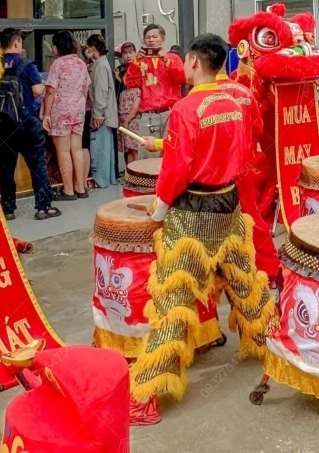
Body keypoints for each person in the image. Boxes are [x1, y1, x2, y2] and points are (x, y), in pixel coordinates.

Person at [129, 34, 275, 425]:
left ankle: (147, 395)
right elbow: (244, 150)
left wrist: (159, 210)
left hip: (193, 211)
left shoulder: (186, 107)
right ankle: (275, 350)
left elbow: (177, 169)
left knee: (173, 300)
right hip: (229, 203)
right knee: (245, 284)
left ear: (193, 62)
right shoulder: (237, 100)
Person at [0, 29, 60, 221]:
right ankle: (43, 206)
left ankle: (8, 208)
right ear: (17, 43)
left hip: (1, 124)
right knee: (37, 164)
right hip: (26, 122)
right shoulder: (27, 65)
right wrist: (42, 87)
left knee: (5, 165)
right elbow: (37, 91)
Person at [215, 62, 280, 282]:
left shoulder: (202, 97)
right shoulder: (243, 92)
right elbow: (258, 128)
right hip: (244, 162)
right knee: (250, 214)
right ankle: (270, 268)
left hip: (213, 169)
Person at [42, 30, 91, 200]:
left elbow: (50, 91)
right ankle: (81, 187)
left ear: (57, 47)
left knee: (63, 151)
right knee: (76, 149)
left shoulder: (57, 65)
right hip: (78, 110)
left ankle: (68, 190)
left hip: (60, 111)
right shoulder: (81, 63)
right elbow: (86, 88)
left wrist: (47, 114)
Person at [123, 23, 186, 142]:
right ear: (144, 41)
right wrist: (136, 63)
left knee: (170, 152)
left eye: (155, 37)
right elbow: (129, 83)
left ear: (163, 38)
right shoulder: (140, 61)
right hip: (149, 114)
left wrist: (166, 61)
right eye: (148, 37)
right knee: (148, 155)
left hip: (170, 112)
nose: (151, 40)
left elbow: (182, 78)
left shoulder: (173, 57)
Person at [85, 35, 119, 189]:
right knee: (107, 149)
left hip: (102, 114)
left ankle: (101, 179)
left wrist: (98, 114)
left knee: (100, 149)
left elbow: (100, 91)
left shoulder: (100, 66)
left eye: (87, 48)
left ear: (93, 48)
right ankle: (108, 178)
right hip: (108, 113)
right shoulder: (102, 63)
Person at [116, 42, 142, 168]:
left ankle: (136, 173)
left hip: (134, 117)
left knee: (134, 147)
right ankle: (129, 172)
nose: (128, 56)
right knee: (127, 147)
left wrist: (128, 119)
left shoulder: (140, 66)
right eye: (125, 53)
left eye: (131, 52)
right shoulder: (122, 69)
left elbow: (138, 100)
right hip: (123, 117)